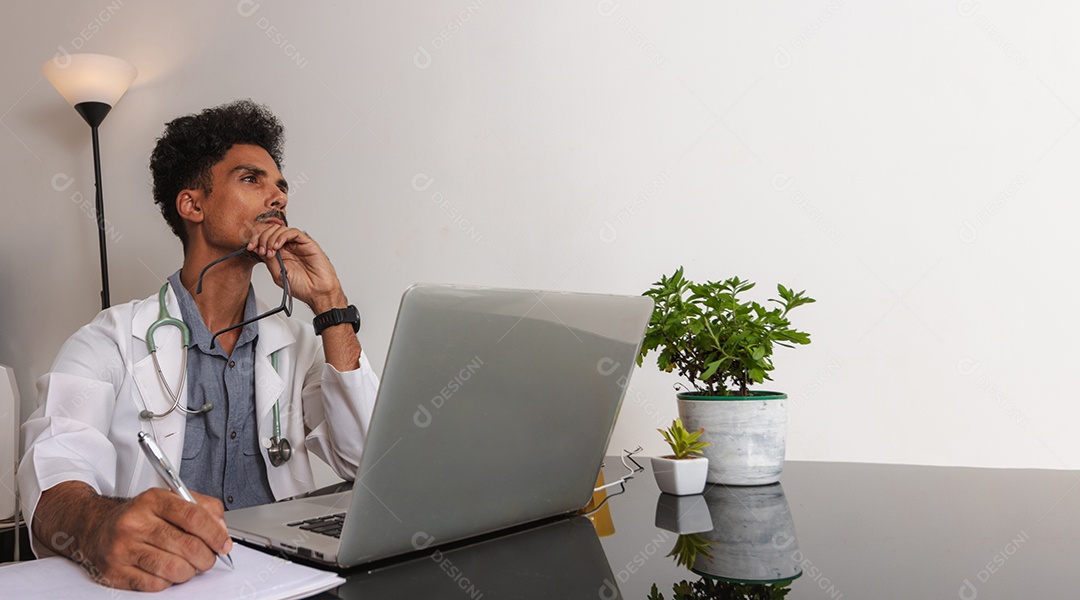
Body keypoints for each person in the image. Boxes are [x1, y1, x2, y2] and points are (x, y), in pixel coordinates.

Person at [18, 100, 378, 591]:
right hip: (172, 584)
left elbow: (370, 463)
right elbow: (54, 471)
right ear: (193, 205)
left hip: (286, 582)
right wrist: (96, 524)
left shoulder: (296, 342)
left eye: (281, 186)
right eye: (252, 179)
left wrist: (330, 305)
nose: (277, 197)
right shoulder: (109, 340)